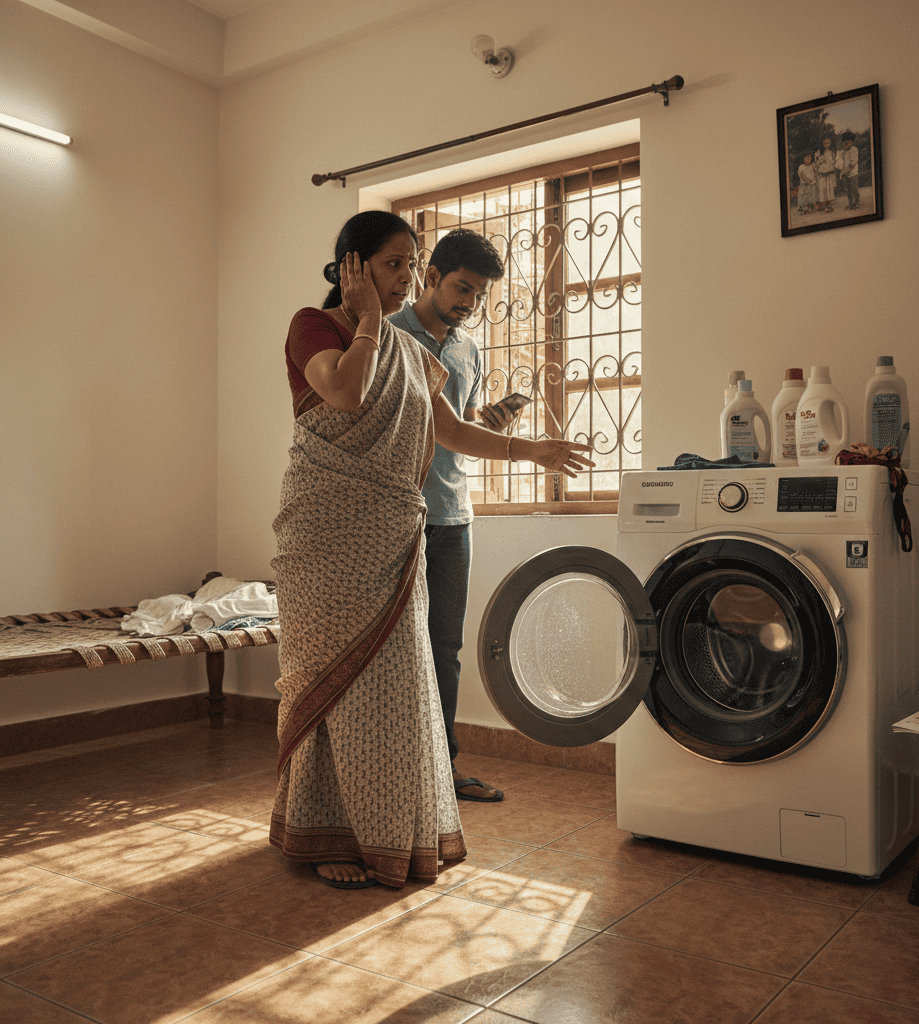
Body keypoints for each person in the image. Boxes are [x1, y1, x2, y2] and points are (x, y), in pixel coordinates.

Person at [270, 211, 593, 890]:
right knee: (334, 686)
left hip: (394, 538)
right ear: (351, 266)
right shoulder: (316, 325)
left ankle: (387, 827)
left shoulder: (412, 351)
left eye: (410, 266)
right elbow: (344, 391)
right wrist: (365, 319)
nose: (404, 279)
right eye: (393, 265)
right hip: (327, 538)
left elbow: (448, 431)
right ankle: (320, 830)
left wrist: (528, 450)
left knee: (392, 686)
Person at [390, 228, 520, 803]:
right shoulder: (390, 335)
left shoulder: (468, 348)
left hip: (454, 517)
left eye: (480, 295)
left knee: (444, 649)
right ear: (430, 276)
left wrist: (488, 423)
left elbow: (459, 427)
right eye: (463, 288)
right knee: (395, 646)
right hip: (396, 515)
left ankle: (442, 770)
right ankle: (395, 768)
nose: (470, 304)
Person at [837, 134, 860, 210]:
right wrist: (842, 172)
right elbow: (839, 163)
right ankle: (850, 203)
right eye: (845, 143)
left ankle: (857, 202)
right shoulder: (842, 152)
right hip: (845, 174)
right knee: (848, 190)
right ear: (842, 143)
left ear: (851, 142)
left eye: (849, 142)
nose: (847, 145)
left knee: (854, 188)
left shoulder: (854, 149)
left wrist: (848, 171)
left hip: (852, 173)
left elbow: (853, 163)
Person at [815, 137, 837, 213]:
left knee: (829, 188)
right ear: (822, 143)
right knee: (823, 188)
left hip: (829, 173)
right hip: (822, 173)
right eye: (825, 142)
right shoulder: (819, 152)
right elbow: (817, 163)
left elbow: (834, 161)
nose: (827, 144)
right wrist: (821, 161)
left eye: (829, 142)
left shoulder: (832, 152)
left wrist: (833, 165)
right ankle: (823, 206)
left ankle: (829, 205)